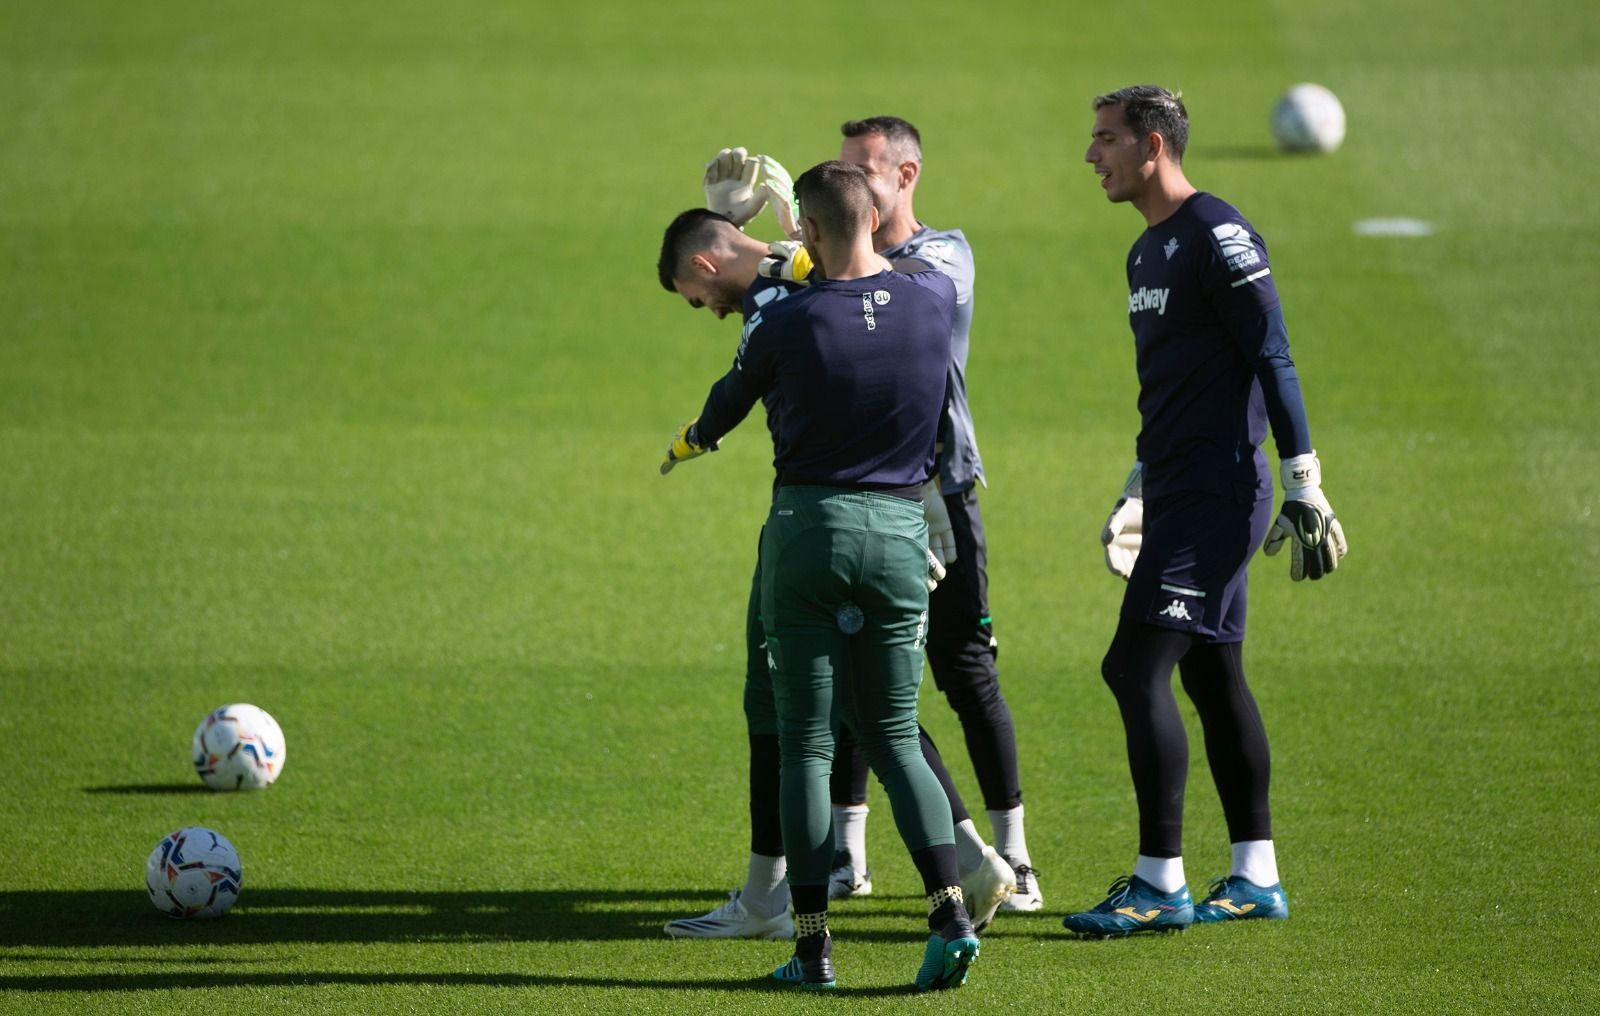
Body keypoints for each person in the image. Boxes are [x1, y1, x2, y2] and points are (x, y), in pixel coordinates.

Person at [653, 205, 1015, 943]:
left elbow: (733, 392)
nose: (706, 312)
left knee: (792, 719)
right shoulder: (906, 290)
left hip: (812, 527)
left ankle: (785, 915)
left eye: (697, 298)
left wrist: (693, 440)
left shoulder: (785, 308)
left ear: (702, 265)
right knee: (878, 711)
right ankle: (963, 872)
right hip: (900, 518)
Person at [1061, 85, 1348, 938]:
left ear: (1153, 145)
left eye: (1106, 139)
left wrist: (1304, 481)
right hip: (1179, 484)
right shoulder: (1147, 252)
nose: (1091, 155)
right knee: (1211, 675)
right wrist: (1141, 476)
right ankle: (1255, 876)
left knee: (1133, 668)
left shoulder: (1218, 235)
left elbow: (1274, 355)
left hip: (1220, 490)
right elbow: (1179, 384)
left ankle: (1159, 882)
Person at [823, 116, 1041, 915]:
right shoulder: (836, 256)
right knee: (850, 668)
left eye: (864, 173)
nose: (849, 187)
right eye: (839, 173)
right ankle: (849, 857)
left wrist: (810, 250)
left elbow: (891, 287)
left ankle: (1014, 855)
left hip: (943, 494)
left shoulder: (944, 253)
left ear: (906, 177)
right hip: (864, 495)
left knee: (964, 668)